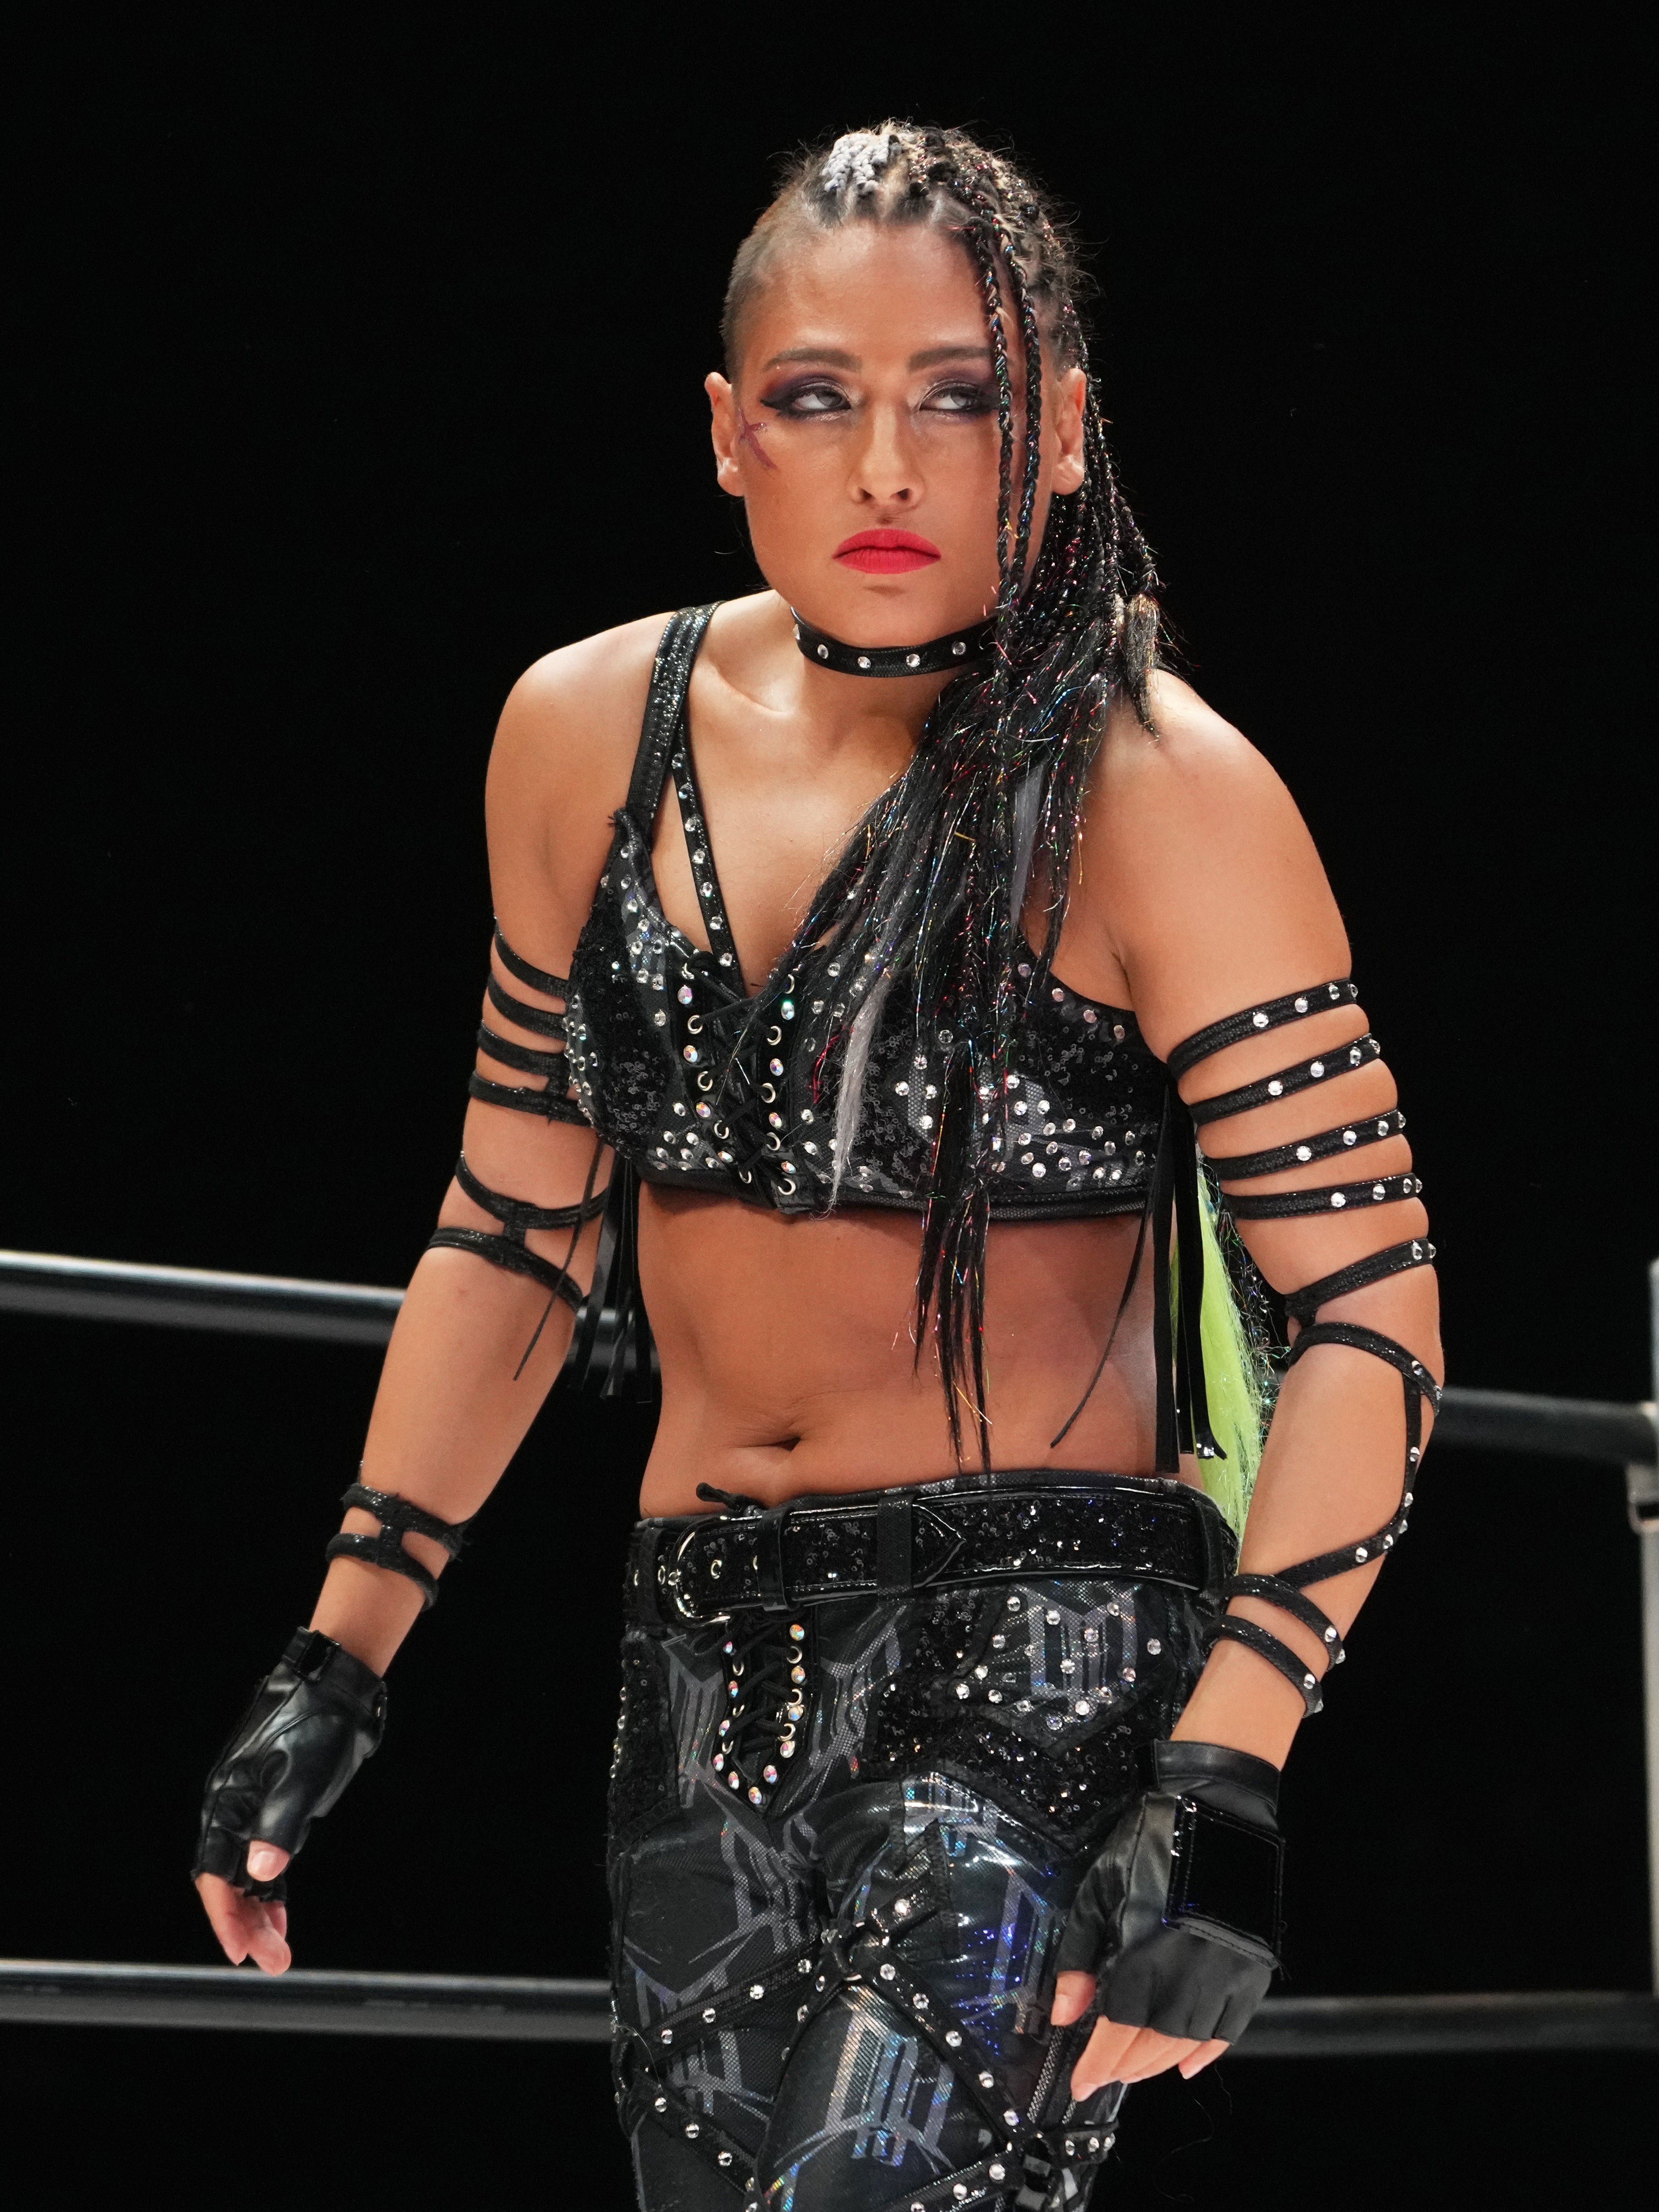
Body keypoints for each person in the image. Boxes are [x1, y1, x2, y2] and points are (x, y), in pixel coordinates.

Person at [192, 123, 1442, 2211]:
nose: (885, 466)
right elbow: (513, 1230)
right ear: (725, 431)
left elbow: (1372, 1314)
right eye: (816, 396)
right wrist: (340, 1650)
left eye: (958, 398)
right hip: (693, 1676)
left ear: (1061, 433)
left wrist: (1228, 1763)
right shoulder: (580, 732)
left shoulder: (1159, 790)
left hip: (1034, 1678)